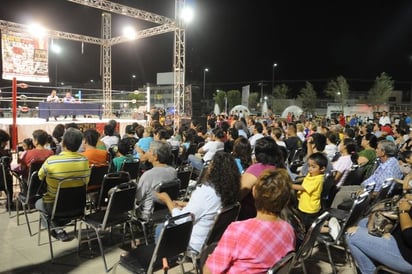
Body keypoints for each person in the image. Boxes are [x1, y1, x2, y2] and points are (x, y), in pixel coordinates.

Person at [203, 169, 295, 274]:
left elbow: (209, 272)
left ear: (254, 191)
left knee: (207, 256)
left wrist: (210, 261)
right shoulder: (289, 230)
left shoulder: (237, 230)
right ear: (287, 200)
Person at [156, 151, 240, 254]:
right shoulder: (228, 191)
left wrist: (167, 200)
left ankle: (161, 261)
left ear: (214, 170)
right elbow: (210, 208)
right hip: (214, 239)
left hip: (195, 243)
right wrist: (187, 204)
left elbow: (182, 220)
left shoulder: (205, 192)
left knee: (161, 228)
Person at [35, 128, 90, 241]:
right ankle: (59, 225)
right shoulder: (85, 160)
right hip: (78, 206)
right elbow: (86, 181)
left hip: (54, 206)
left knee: (38, 203)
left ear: (63, 143)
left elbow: (39, 177)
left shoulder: (51, 161)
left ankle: (57, 229)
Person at [346, 185, 412, 273]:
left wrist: (403, 212)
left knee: (351, 236)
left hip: (406, 257)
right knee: (364, 223)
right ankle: (373, 266)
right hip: (399, 241)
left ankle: (369, 271)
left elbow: (409, 236)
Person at [239, 136, 285, 220]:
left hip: (251, 216)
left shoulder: (255, 170)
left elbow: (238, 194)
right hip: (275, 217)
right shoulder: (281, 169)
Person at [135, 140, 176, 221]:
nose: (147, 152)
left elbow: (138, 198)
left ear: (155, 156)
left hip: (148, 215)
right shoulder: (173, 171)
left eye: (149, 150)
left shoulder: (148, 175)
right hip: (166, 210)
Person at [292, 152, 327, 229]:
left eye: (313, 167)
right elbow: (305, 179)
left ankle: (326, 229)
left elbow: (303, 188)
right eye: (309, 166)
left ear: (322, 169)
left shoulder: (318, 179)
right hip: (304, 205)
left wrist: (289, 185)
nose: (310, 169)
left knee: (308, 226)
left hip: (309, 208)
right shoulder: (311, 175)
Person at [0, 129, 13, 208]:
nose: (6, 143)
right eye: (5, 141)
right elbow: (7, 166)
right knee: (8, 178)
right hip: (3, 182)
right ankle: (9, 203)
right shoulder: (5, 154)